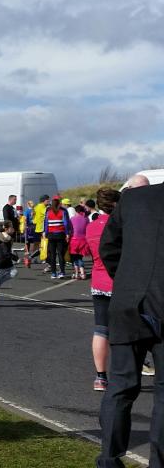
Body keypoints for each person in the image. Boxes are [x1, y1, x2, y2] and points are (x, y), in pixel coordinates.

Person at [97, 181, 164, 467]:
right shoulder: (135, 198)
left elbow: (109, 248)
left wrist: (127, 282)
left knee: (121, 385)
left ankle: (109, 458)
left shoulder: (134, 198)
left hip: (127, 302)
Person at [87, 187, 120, 392]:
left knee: (101, 329)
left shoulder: (92, 227)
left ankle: (100, 377)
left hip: (98, 280)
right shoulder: (120, 225)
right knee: (129, 328)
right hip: (118, 281)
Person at [44, 195, 72, 279]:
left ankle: (53, 273)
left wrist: (45, 232)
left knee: (52, 254)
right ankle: (62, 272)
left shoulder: (48, 211)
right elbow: (66, 223)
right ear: (59, 203)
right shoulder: (63, 211)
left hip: (51, 235)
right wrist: (67, 233)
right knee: (60, 254)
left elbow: (46, 223)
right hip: (60, 234)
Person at [69, 204, 90, 279]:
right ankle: (82, 273)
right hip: (83, 240)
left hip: (74, 240)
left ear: (76, 211)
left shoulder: (72, 219)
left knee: (74, 257)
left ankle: (76, 273)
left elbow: (70, 230)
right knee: (80, 257)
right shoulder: (86, 219)